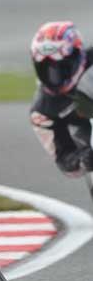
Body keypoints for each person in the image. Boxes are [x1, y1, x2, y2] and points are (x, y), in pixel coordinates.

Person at [30, 21, 93, 176]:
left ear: (78, 55)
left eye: (62, 67)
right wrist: (82, 159)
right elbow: (64, 161)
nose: (54, 77)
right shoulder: (42, 112)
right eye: (46, 69)